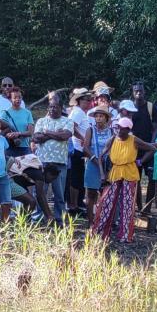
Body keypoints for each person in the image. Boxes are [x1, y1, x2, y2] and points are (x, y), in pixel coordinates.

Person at [90, 117, 157, 243]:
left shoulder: (134, 140)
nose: (119, 130)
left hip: (130, 173)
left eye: (122, 128)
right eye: (117, 127)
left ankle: (125, 235)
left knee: (127, 205)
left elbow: (153, 149)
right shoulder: (112, 139)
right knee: (106, 202)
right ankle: (99, 232)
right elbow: (101, 156)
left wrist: (140, 161)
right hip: (115, 173)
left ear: (128, 129)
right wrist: (103, 174)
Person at [31, 98, 74, 223]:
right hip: (42, 163)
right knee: (40, 192)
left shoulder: (68, 121)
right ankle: (37, 219)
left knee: (59, 195)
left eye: (55, 107)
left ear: (61, 108)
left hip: (59, 163)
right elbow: (36, 137)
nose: (52, 109)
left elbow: (65, 136)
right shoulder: (41, 121)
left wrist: (47, 133)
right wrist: (56, 134)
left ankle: (59, 220)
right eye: (50, 107)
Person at [128, 82, 157, 212]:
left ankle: (147, 208)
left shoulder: (151, 107)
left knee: (152, 177)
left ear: (144, 92)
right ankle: (139, 207)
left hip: (149, 148)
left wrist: (151, 143)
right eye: (136, 91)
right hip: (134, 148)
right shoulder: (130, 107)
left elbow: (156, 125)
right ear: (133, 93)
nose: (138, 93)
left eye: (140, 90)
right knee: (136, 178)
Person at [82, 104, 114, 221]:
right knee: (91, 193)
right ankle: (91, 221)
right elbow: (85, 147)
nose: (99, 118)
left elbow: (114, 147)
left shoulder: (112, 132)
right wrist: (95, 160)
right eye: (97, 116)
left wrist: (107, 163)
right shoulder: (90, 130)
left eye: (101, 116)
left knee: (106, 193)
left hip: (107, 165)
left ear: (106, 118)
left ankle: (104, 221)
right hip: (92, 163)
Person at [67, 88, 93, 216]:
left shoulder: (82, 112)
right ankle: (73, 206)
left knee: (79, 178)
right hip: (77, 148)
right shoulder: (77, 112)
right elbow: (71, 127)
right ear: (79, 100)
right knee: (76, 178)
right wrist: (83, 138)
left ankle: (77, 203)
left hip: (81, 149)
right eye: (86, 99)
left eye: (90, 100)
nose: (88, 102)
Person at [0, 87, 33, 157]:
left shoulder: (27, 113)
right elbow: (1, 132)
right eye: (15, 97)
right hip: (10, 148)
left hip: (25, 148)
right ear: (10, 99)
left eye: (19, 97)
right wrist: (10, 135)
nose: (18, 99)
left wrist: (18, 134)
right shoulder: (5, 113)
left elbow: (30, 132)